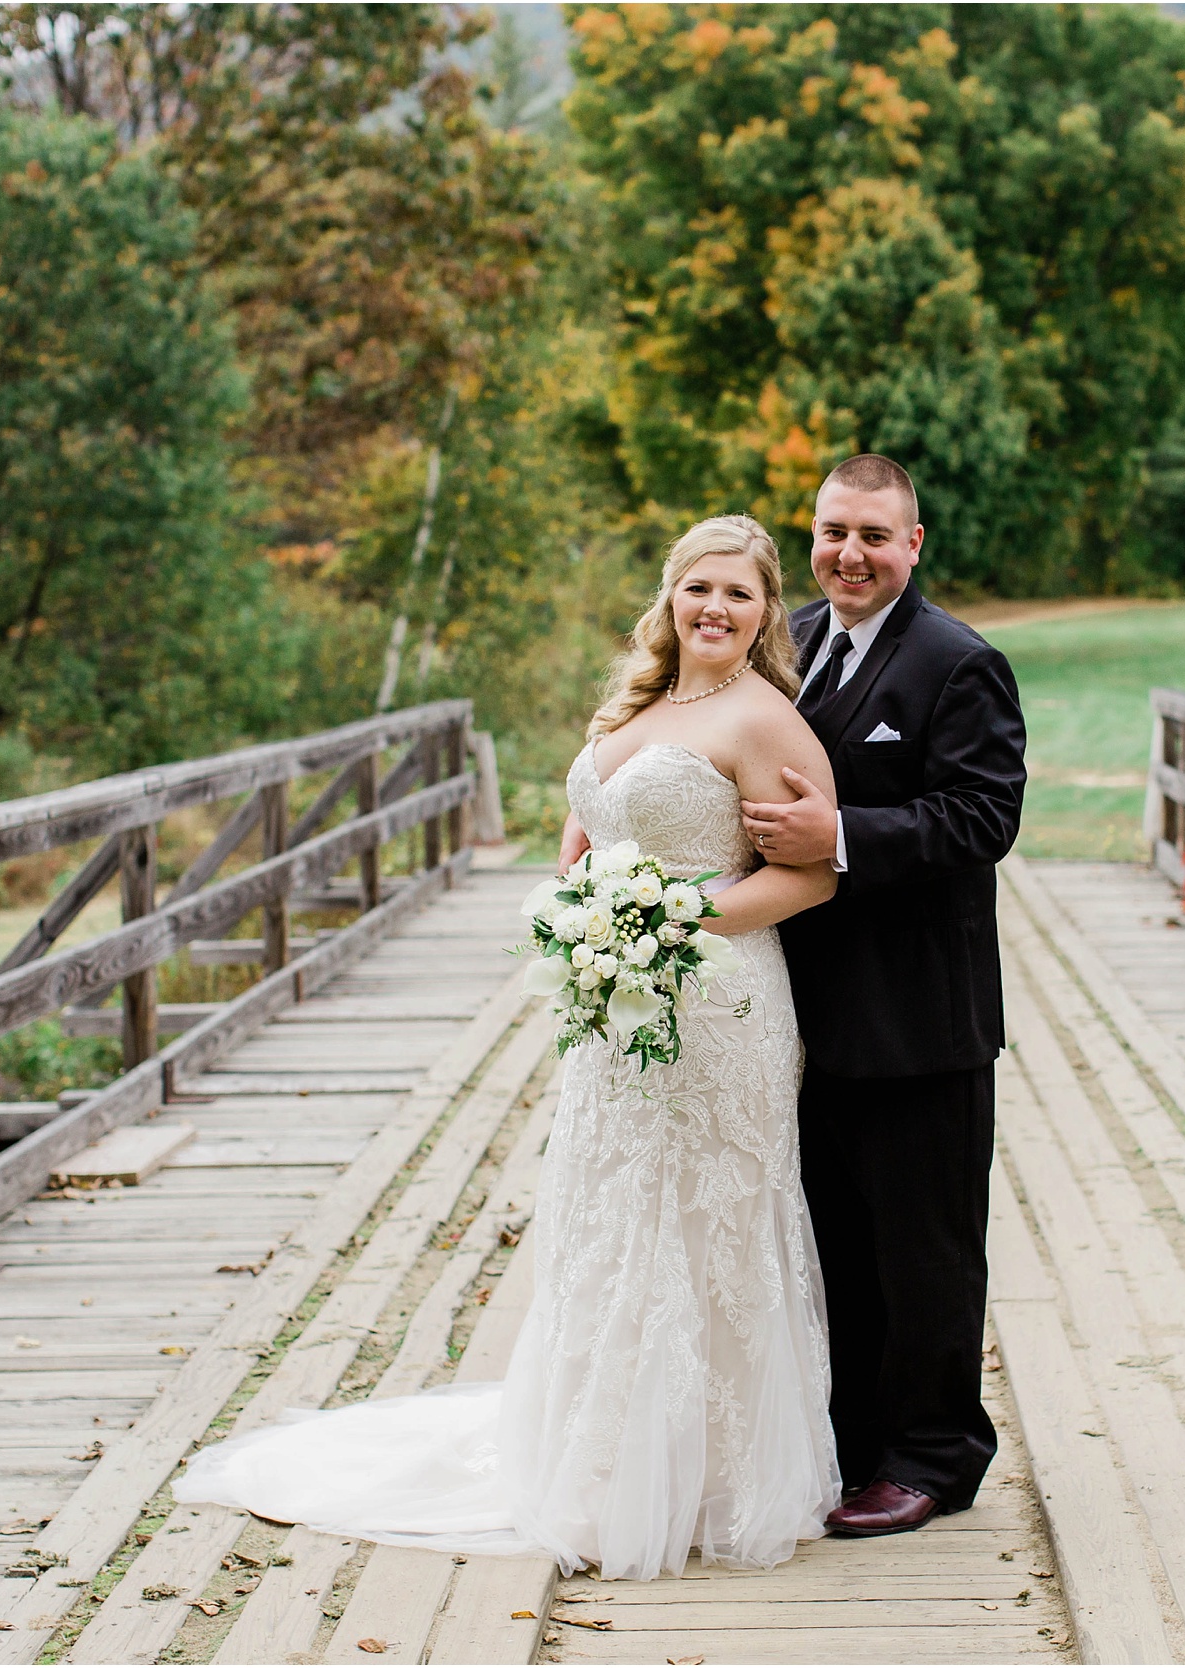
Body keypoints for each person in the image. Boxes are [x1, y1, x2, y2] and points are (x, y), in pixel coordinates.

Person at [175, 515, 845, 1579]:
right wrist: (589, 915)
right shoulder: (636, 702)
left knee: (704, 1220)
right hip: (615, 1010)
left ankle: (714, 1476)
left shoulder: (766, 721)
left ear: (766, 613)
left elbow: (808, 875)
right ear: (668, 597)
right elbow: (588, 837)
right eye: (696, 589)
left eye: (739, 595)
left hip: (718, 1010)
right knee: (610, 1211)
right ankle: (602, 1457)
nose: (714, 609)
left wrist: (672, 923)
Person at [740, 454, 1029, 1536]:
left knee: (924, 1254)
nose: (848, 554)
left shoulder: (959, 664)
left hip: (921, 1024)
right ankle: (853, 1445)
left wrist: (842, 837)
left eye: (872, 534)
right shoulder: (794, 643)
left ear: (913, 544)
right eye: (831, 532)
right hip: (805, 1017)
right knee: (836, 1248)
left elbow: (980, 820)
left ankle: (935, 1458)